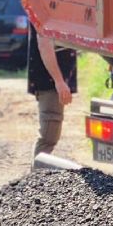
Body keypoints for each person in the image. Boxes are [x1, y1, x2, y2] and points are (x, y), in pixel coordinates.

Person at [27, 27, 75, 163]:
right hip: (49, 82)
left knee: (50, 134)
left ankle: (37, 178)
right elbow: (44, 44)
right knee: (48, 136)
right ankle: (36, 180)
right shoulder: (45, 8)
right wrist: (59, 81)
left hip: (53, 81)